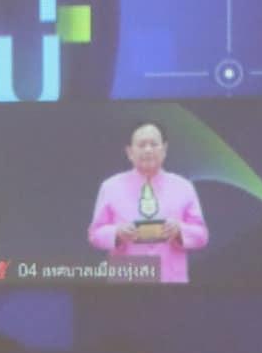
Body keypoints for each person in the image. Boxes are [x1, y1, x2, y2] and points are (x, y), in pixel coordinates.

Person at [88, 121, 208, 283]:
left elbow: (202, 235)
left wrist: (180, 231)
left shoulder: (184, 186)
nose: (148, 150)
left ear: (164, 149)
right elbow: (95, 234)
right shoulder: (110, 187)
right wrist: (117, 233)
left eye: (154, 144)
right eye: (141, 145)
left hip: (171, 279)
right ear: (129, 152)